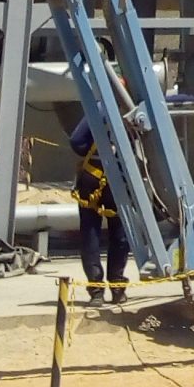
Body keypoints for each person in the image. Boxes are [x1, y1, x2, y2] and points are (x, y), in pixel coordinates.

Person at [69, 116, 129, 305]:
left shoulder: (98, 108)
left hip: (92, 173)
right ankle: (117, 287)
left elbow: (77, 141)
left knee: (90, 232)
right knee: (120, 231)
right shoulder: (131, 109)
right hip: (118, 175)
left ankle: (96, 290)